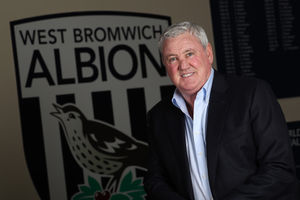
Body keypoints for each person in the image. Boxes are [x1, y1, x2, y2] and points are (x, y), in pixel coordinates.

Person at [144, 21, 300, 200]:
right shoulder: (159, 117)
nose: (183, 65)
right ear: (165, 65)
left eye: (189, 54)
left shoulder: (252, 94)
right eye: (172, 58)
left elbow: (280, 169)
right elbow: (154, 180)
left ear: (208, 53)